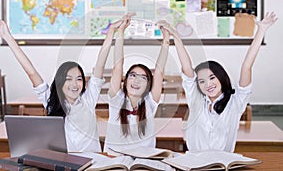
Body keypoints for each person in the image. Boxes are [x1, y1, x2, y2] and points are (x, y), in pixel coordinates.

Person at [0, 15, 128, 152]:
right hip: (65, 162)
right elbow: (31, 71)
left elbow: (100, 63)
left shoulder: (88, 98)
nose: (74, 84)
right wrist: (8, 38)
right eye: (68, 79)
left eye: (79, 79)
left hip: (91, 162)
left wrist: (111, 32)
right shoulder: (50, 100)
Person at [159, 12, 277, 152]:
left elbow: (247, 66)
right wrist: (175, 37)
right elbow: (187, 67)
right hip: (195, 163)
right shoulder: (196, 100)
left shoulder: (235, 102)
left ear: (221, 77)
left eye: (212, 78)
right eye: (202, 81)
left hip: (222, 164)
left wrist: (261, 30)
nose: (208, 84)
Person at [103, 15, 171, 155]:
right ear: (125, 80)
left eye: (143, 78)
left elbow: (159, 72)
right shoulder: (116, 99)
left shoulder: (150, 103)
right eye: (132, 75)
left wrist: (166, 41)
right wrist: (120, 32)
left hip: (143, 164)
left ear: (148, 85)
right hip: (115, 163)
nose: (136, 80)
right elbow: (118, 67)